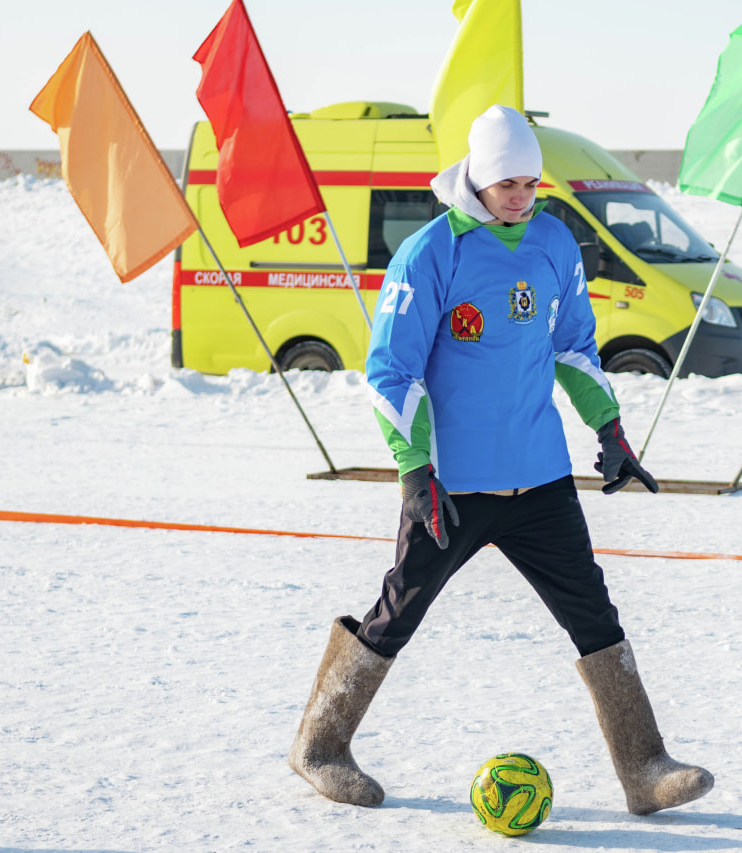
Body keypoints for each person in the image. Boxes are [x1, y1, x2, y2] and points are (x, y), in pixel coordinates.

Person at [287, 104, 713, 816]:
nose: (522, 195)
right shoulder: (431, 252)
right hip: (451, 485)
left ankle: (644, 766)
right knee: (400, 610)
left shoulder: (552, 241)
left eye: (531, 183)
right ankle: (321, 744)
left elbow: (575, 346)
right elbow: (392, 370)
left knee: (592, 610)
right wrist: (415, 470)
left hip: (540, 476)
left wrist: (611, 431)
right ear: (480, 177)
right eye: (509, 182)